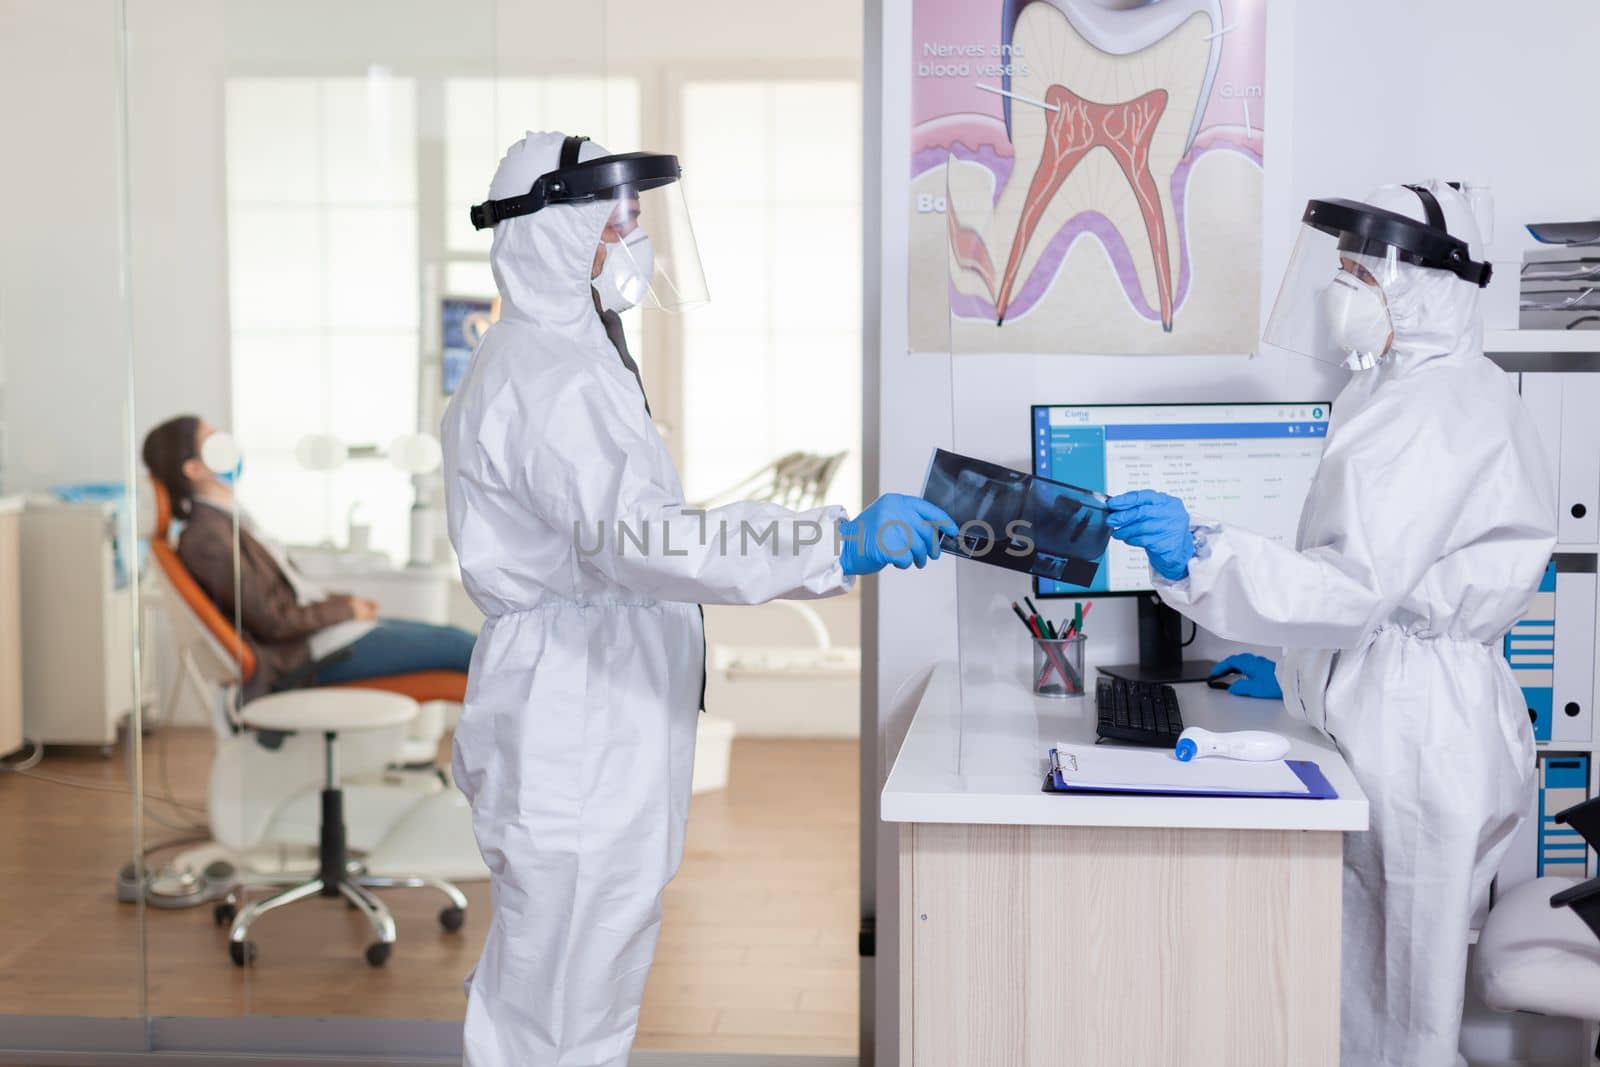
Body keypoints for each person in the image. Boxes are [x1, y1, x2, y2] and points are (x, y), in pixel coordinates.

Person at [442, 130, 954, 1067]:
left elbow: (636, 533)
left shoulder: (577, 356)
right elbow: (649, 543)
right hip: (576, 707)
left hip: (601, 694)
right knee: (558, 985)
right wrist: (830, 539)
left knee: (586, 963)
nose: (632, 234)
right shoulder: (549, 380)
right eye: (614, 216)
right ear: (555, 230)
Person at [1104, 180, 1555, 1067]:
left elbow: (1352, 590)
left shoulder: (1434, 410)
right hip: (1401, 704)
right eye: (1341, 264)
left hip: (1422, 734)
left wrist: (1196, 549)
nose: (1339, 287)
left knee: (1402, 1018)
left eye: (1361, 269)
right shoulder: (1403, 387)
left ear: (1429, 284)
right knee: (1365, 986)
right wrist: (1304, 669)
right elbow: (1376, 588)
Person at [142, 415, 476, 699]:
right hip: (310, 657)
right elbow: (273, 620)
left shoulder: (227, 521)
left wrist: (349, 606)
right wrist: (346, 609)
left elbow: (284, 597)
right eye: (214, 442)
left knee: (456, 640)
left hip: (327, 638)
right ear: (194, 468)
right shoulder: (206, 538)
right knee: (465, 648)